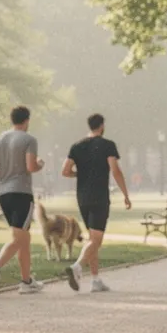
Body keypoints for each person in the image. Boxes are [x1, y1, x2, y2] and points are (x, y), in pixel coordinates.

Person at [61, 113, 131, 293]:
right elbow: (115, 170)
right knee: (96, 240)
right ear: (101, 126)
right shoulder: (108, 145)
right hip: (99, 196)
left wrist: (80, 174)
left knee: (92, 239)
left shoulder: (77, 146)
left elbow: (66, 171)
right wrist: (125, 194)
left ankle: (95, 279)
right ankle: (77, 267)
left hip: (82, 197)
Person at [0, 105, 45, 295]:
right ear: (27, 121)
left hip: (4, 194)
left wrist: (2, 174)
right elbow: (30, 166)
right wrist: (40, 164)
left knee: (23, 237)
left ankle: (26, 281)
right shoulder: (29, 139)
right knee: (20, 238)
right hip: (22, 193)